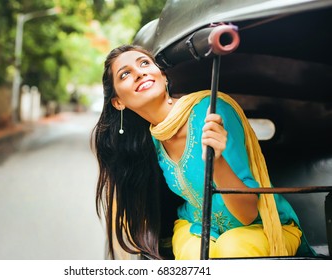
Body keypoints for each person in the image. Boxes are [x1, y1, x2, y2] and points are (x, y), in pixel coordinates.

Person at [91, 44, 316, 260]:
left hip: (261, 227)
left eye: (144, 63)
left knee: (232, 250)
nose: (139, 73)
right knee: (193, 254)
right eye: (125, 74)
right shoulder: (150, 139)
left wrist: (216, 163)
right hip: (199, 227)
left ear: (164, 76)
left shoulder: (210, 111)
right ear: (118, 102)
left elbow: (247, 215)